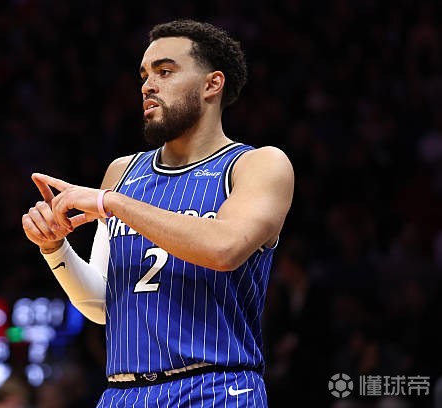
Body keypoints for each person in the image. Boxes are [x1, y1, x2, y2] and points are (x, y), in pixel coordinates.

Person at [22, 19, 294, 407]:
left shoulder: (258, 165)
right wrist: (55, 249)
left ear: (212, 84)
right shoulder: (122, 172)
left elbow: (225, 248)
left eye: (165, 72)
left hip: (216, 388)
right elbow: (102, 304)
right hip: (123, 393)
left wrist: (113, 203)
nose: (148, 86)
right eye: (145, 75)